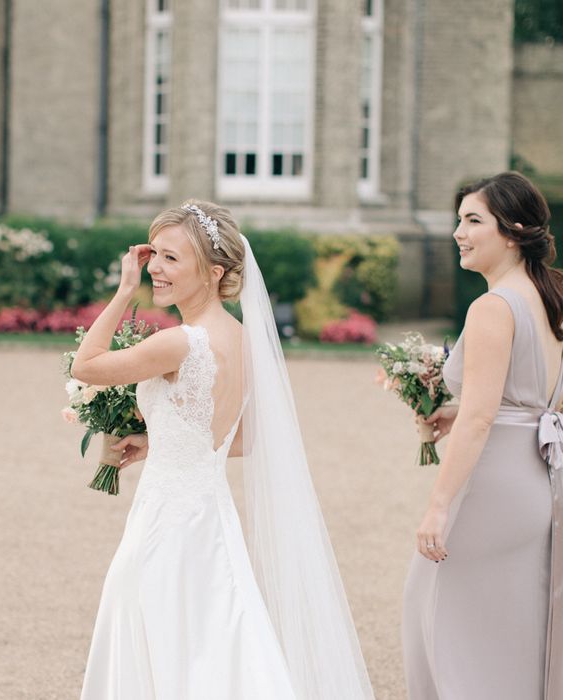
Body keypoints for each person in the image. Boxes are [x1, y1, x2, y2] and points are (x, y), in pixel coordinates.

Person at [72, 201, 373, 699]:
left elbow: (87, 365)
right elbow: (249, 436)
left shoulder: (180, 343)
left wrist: (125, 290)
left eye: (171, 258)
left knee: (163, 641)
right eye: (153, 256)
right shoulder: (241, 339)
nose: (154, 269)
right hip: (211, 517)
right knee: (213, 644)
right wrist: (161, 440)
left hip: (168, 521)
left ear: (213, 272)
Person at [402, 171, 563, 699]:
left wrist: (439, 505)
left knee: (445, 626)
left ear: (513, 232)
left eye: (473, 221)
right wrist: (458, 413)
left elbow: (479, 418)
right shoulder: (549, 297)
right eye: (458, 220)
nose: (458, 232)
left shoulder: (493, 307)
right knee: (512, 635)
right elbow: (534, 401)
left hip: (491, 489)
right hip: (537, 483)